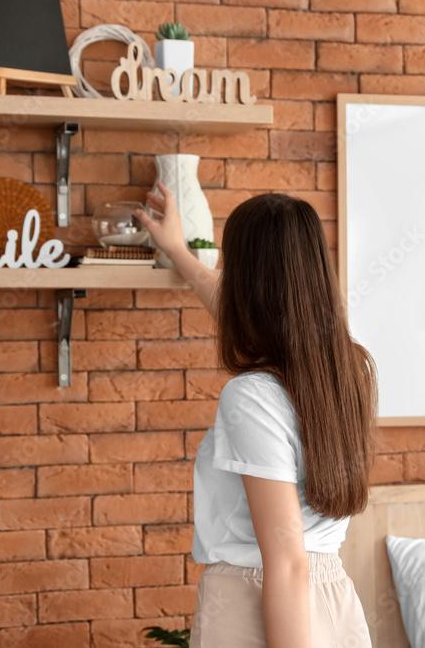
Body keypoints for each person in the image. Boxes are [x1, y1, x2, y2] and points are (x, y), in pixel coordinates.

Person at [133, 183, 377, 648]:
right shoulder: (348, 369)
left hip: (259, 602)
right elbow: (235, 307)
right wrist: (180, 253)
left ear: (248, 282)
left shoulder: (251, 397)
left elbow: (285, 562)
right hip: (331, 602)